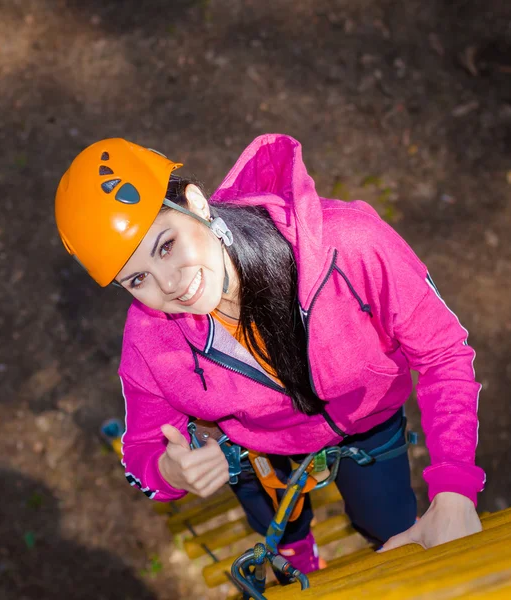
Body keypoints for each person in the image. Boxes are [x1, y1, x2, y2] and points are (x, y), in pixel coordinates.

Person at [54, 134, 485, 575]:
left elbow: (443, 354)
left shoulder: (348, 246)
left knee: (389, 524)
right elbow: (141, 451)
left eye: (166, 245)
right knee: (277, 524)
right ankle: (297, 552)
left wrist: (454, 489)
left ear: (196, 203)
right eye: (137, 279)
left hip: (368, 428)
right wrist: (170, 471)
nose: (168, 285)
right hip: (259, 452)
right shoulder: (150, 342)